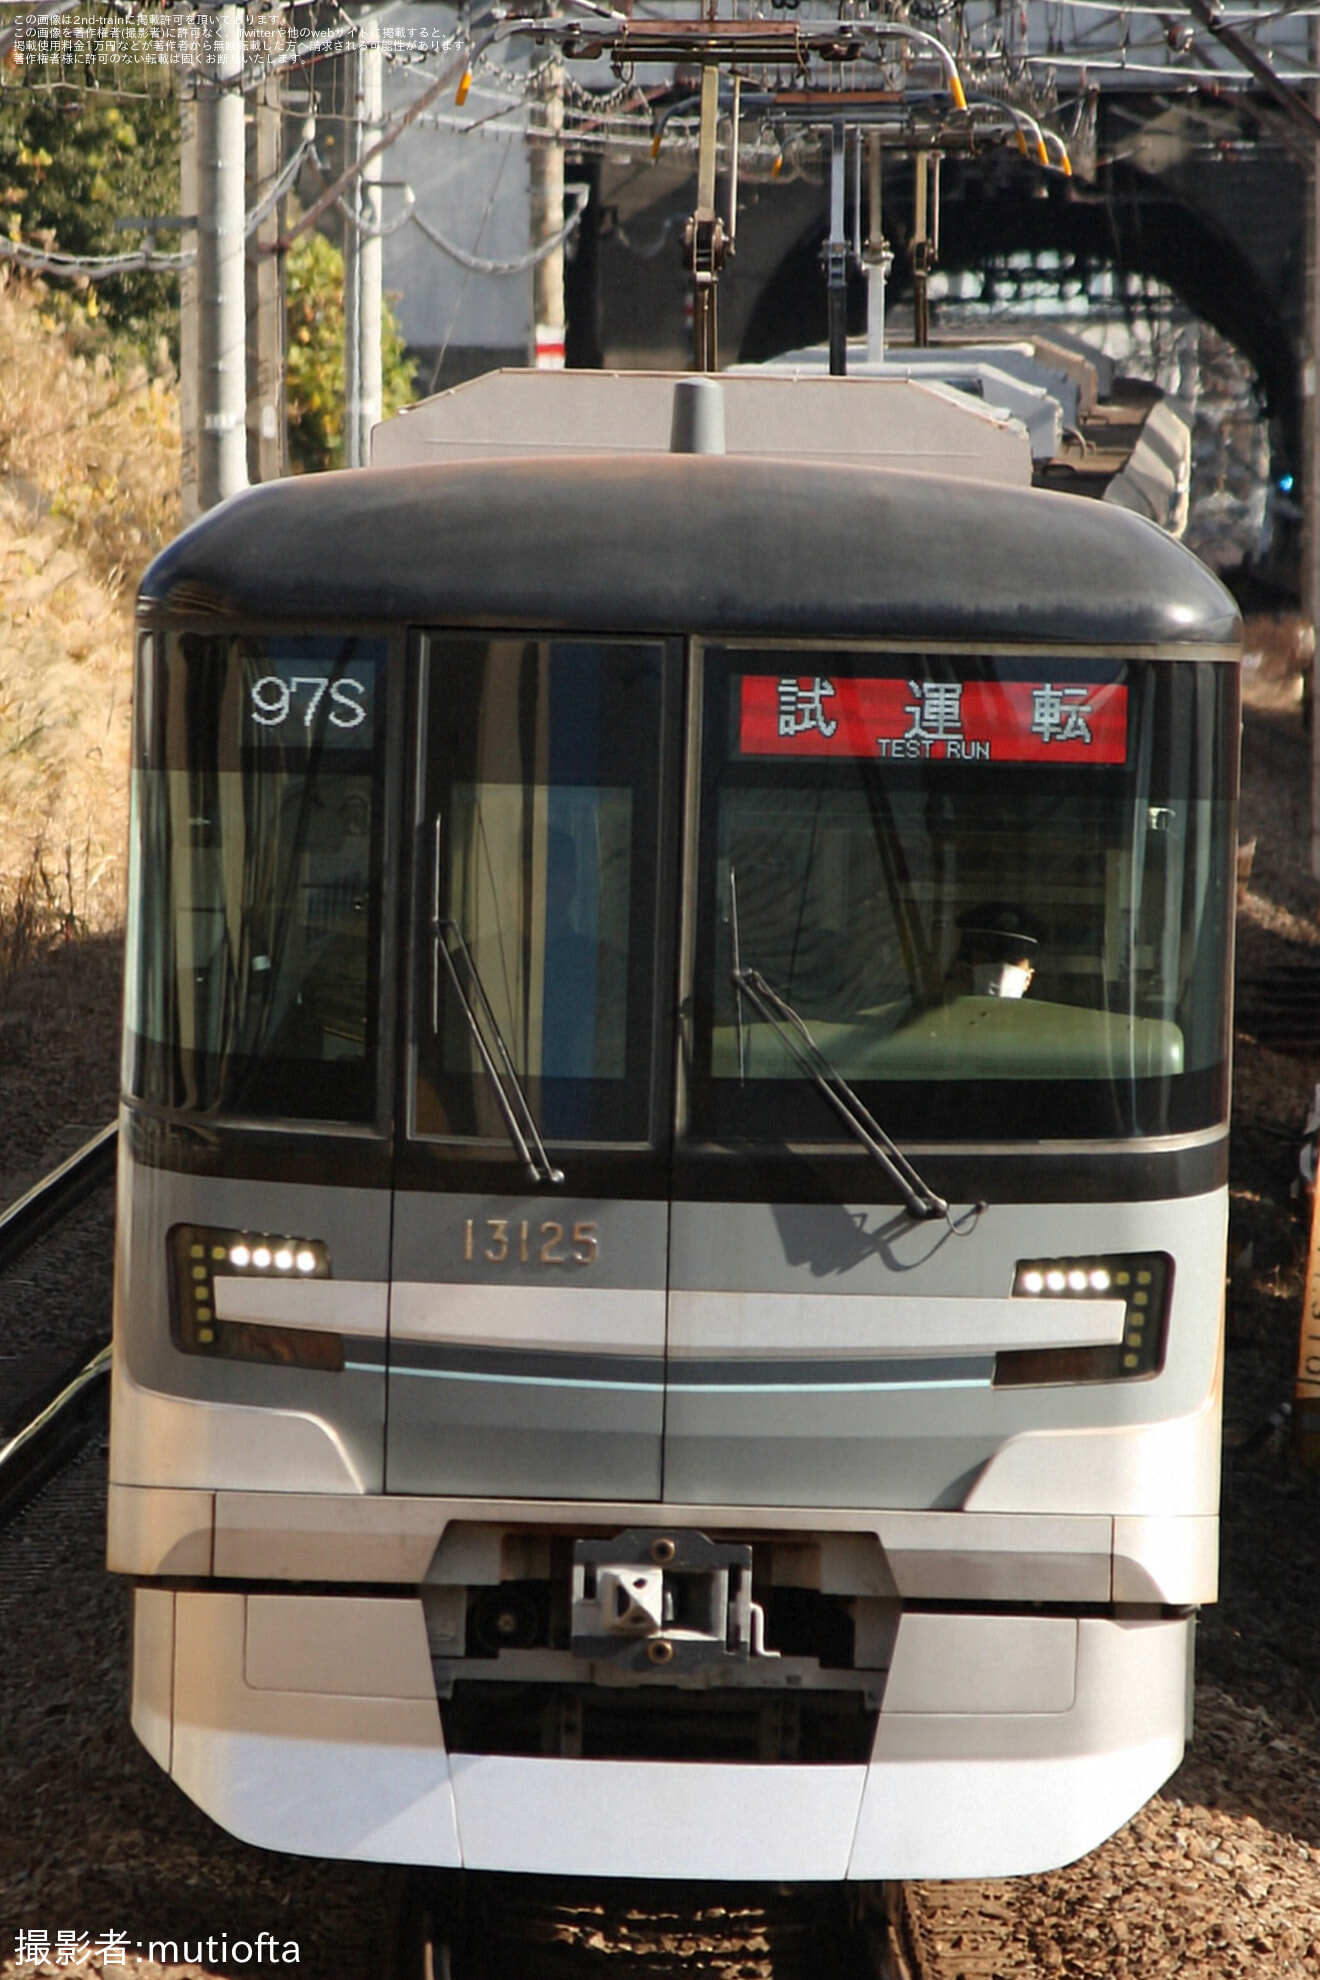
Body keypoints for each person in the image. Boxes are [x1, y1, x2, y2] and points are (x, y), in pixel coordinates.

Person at [946, 904, 1043, 1000]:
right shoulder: (947, 1014)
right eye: (989, 960)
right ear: (967, 971)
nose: (1001, 970)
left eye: (1012, 961)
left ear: (1028, 978)